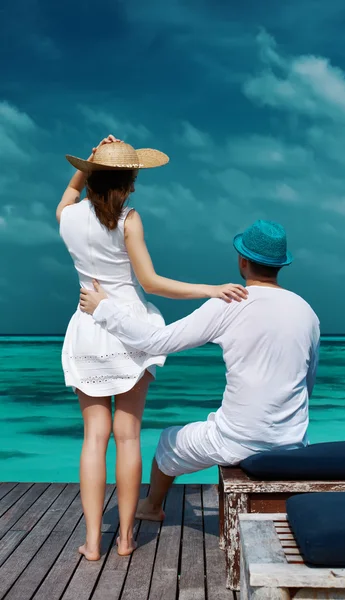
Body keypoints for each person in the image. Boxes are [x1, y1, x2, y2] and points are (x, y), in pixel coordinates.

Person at [57, 135, 248, 560]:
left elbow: (70, 192)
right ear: (129, 180)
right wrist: (209, 290)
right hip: (127, 330)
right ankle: (125, 538)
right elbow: (150, 283)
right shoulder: (128, 219)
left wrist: (87, 161)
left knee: (94, 437)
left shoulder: (68, 217)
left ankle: (92, 541)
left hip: (88, 327)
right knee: (127, 436)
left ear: (92, 176)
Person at [79, 219, 320, 521]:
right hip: (292, 441)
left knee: (168, 441)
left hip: (237, 440)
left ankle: (152, 507)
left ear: (243, 260)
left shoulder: (230, 302)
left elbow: (157, 342)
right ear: (280, 265)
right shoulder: (306, 311)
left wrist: (103, 308)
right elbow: (307, 383)